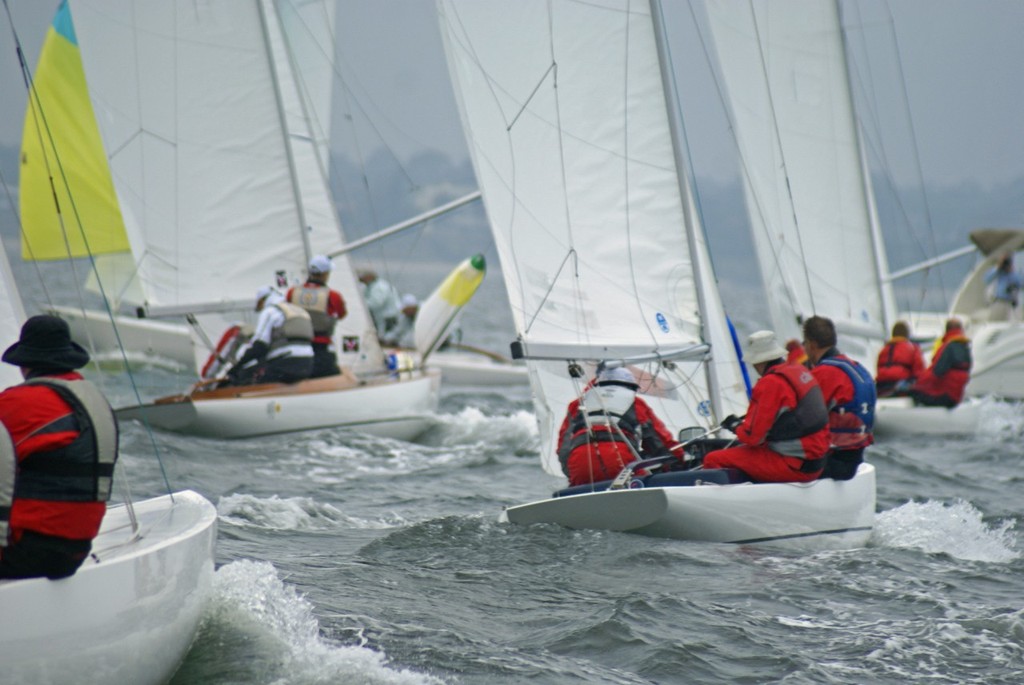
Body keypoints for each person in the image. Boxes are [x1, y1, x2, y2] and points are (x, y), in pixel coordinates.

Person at [0, 315, 118, 579]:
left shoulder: (17, 404)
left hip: (22, 551)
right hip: (75, 551)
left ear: (24, 365)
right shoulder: (96, 402)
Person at [703, 330, 830, 483]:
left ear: (760, 361)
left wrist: (735, 425)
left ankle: (732, 504)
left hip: (794, 465)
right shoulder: (799, 370)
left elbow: (752, 437)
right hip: (817, 461)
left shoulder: (770, 383)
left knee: (713, 458)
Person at [556, 366, 679, 486]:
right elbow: (658, 443)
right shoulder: (637, 403)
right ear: (630, 386)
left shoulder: (577, 404)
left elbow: (563, 448)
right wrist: (677, 462)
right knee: (644, 481)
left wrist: (573, 472)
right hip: (620, 460)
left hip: (580, 462)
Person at [802, 316, 876, 480]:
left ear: (812, 344)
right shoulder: (857, 368)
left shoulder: (824, 373)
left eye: (805, 344)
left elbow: (802, 416)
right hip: (854, 459)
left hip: (834, 462)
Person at [225, 286, 314, 386]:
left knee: (252, 381)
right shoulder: (299, 310)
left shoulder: (270, 311)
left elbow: (260, 346)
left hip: (285, 364)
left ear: (262, 300)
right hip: (308, 363)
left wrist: (236, 368)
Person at [286, 254, 347, 378]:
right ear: (325, 274)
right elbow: (341, 314)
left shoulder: (293, 292)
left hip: (295, 347)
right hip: (321, 348)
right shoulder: (333, 295)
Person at [910, 318, 972, 408]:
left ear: (946, 330)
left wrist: (916, 384)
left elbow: (936, 372)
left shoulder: (948, 347)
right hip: (956, 397)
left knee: (913, 392)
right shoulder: (965, 348)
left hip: (945, 396)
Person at [875, 320, 925, 398]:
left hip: (881, 385)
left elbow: (878, 368)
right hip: (899, 384)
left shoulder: (884, 350)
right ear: (907, 335)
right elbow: (919, 372)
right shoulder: (913, 348)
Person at [358, 269, 401, 340]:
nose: (360, 279)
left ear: (369, 277)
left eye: (362, 277)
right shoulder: (370, 286)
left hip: (388, 318)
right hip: (381, 318)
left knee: (386, 338)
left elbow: (376, 303)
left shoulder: (379, 287)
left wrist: (359, 305)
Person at [984, 252, 1022, 321]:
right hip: (999, 301)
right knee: (994, 322)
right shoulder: (999, 273)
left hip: (1012, 304)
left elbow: (1021, 283)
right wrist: (997, 267)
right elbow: (986, 279)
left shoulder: (1015, 275)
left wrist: (1011, 271)